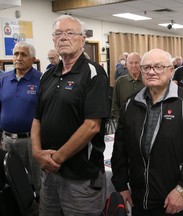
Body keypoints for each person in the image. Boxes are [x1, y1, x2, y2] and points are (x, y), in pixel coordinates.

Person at [111, 48, 183, 216]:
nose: (151, 72)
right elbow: (120, 149)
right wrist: (121, 186)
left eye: (158, 67)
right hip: (139, 199)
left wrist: (182, 190)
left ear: (171, 70)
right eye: (146, 67)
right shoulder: (131, 104)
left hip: (175, 201)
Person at [31, 15, 110, 215]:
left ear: (82, 40)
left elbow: (92, 125)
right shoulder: (48, 75)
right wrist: (37, 152)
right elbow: (37, 118)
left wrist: (56, 158)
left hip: (80, 177)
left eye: (69, 33)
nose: (63, 37)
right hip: (48, 174)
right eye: (58, 33)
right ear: (53, 40)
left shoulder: (94, 73)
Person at [0, 42, 42, 196]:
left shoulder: (41, 80)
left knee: (39, 182)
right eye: (16, 54)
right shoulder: (4, 79)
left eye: (23, 54)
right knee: (10, 180)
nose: (18, 58)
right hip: (7, 140)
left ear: (33, 59)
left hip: (31, 141)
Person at [111, 52, 144, 120]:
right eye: (131, 63)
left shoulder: (147, 80)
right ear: (127, 64)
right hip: (125, 123)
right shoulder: (120, 81)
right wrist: (119, 120)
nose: (134, 65)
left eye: (136, 62)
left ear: (141, 63)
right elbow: (115, 105)